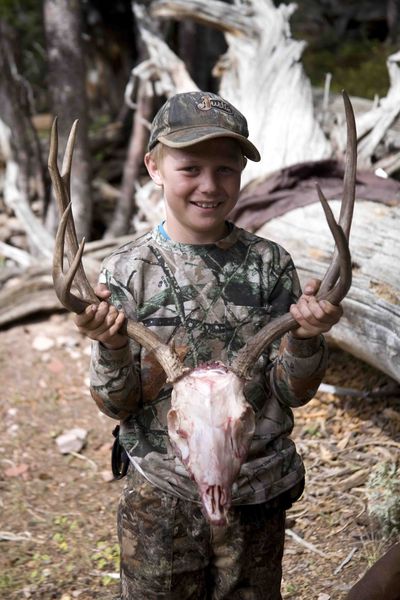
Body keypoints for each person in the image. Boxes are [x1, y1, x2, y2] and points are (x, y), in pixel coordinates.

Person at [75, 91, 343, 599]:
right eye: (190, 167)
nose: (208, 185)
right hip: (163, 496)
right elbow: (116, 404)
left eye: (225, 169)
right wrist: (111, 348)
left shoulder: (270, 265)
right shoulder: (128, 272)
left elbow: (292, 391)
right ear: (153, 166)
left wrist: (306, 339)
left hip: (254, 493)